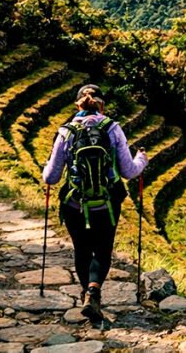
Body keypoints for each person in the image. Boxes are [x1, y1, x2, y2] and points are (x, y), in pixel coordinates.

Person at [42, 84, 148, 322]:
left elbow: (51, 177)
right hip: (106, 204)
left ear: (78, 104)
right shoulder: (112, 128)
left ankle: (86, 294)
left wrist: (44, 168)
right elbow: (128, 171)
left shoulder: (66, 131)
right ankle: (93, 290)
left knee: (82, 249)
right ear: (102, 105)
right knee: (102, 248)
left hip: (75, 204)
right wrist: (142, 159)